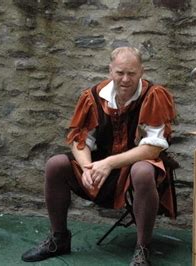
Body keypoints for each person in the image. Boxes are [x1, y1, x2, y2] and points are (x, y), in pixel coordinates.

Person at [21, 47, 177, 266]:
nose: (125, 79)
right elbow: (79, 139)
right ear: (110, 71)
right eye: (120, 72)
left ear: (142, 71)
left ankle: (142, 249)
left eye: (131, 73)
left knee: (142, 170)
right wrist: (86, 167)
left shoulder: (153, 96)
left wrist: (108, 163)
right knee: (55, 165)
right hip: (101, 167)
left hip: (134, 167)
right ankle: (59, 239)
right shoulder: (93, 97)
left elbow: (153, 148)